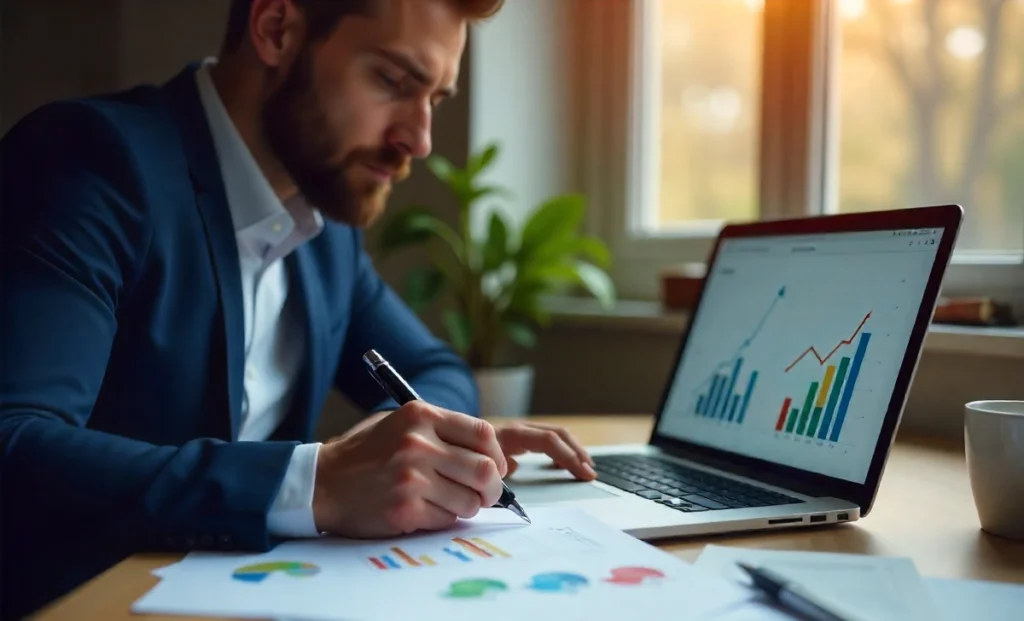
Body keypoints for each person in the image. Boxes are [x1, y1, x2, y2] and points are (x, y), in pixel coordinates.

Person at [0, 0, 598, 617]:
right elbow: (14, 443)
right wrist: (317, 481)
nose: (418, 139)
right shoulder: (93, 162)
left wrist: (405, 442)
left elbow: (434, 365)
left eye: (436, 100)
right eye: (393, 81)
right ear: (276, 29)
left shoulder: (323, 227)